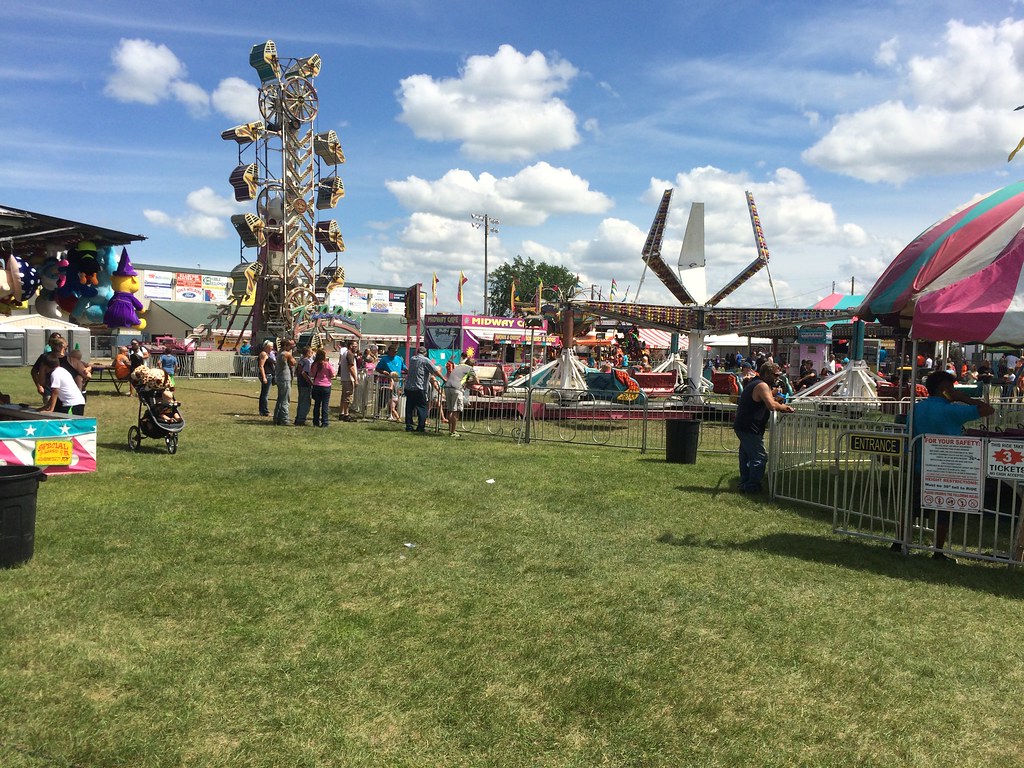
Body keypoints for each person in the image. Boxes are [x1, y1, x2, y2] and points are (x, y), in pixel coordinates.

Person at [902, 370, 995, 560]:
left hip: (921, 463)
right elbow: (988, 410)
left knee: (911, 506)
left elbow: (909, 434)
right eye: (952, 387)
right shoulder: (952, 410)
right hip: (948, 468)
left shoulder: (916, 408)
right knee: (944, 509)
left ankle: (900, 541)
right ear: (945, 389)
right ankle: (938, 550)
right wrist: (964, 398)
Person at [733, 362, 795, 493]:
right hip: (750, 427)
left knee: (746, 455)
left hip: (743, 425)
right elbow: (771, 405)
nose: (777, 378)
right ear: (767, 374)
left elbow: (767, 399)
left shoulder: (756, 383)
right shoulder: (762, 385)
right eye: (776, 375)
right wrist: (785, 407)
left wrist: (774, 395)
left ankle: (745, 483)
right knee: (759, 457)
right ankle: (752, 487)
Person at [40, 341, 86, 415]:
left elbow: (55, 392)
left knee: (69, 425)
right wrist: (46, 407)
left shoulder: (55, 374)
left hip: (72, 404)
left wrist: (51, 409)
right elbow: (54, 394)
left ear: (46, 367)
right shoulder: (61, 370)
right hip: (71, 404)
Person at [404, 345, 440, 433]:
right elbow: (435, 370)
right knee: (422, 408)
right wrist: (443, 378)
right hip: (419, 387)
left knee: (409, 407)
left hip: (409, 387)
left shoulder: (412, 359)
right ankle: (421, 427)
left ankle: (409, 426)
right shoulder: (425, 360)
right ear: (425, 353)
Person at [443, 353, 476, 438]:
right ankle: (453, 432)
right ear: (473, 365)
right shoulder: (470, 368)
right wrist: (470, 383)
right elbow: (477, 381)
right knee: (456, 411)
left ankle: (450, 430)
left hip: (447, 387)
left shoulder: (458, 366)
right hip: (456, 388)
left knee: (450, 410)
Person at [375, 343, 407, 419]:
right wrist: (383, 372)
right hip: (386, 382)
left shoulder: (399, 359)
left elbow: (404, 368)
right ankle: (377, 413)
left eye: (396, 352)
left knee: (394, 400)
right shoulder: (384, 359)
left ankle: (390, 414)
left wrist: (410, 372)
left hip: (397, 382)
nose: (395, 353)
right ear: (389, 351)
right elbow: (377, 368)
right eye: (393, 351)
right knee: (383, 398)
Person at [309, 348, 335, 428]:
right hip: (326, 385)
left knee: (317, 404)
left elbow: (312, 374)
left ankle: (315, 421)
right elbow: (333, 374)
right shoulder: (327, 364)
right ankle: (325, 422)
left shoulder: (314, 364)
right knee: (325, 405)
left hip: (317, 385)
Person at [273, 338, 296, 425]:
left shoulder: (279, 353)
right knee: (285, 400)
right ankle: (284, 419)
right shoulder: (286, 354)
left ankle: (277, 418)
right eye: (290, 346)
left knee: (280, 399)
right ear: (285, 346)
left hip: (280, 378)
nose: (291, 347)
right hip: (285, 378)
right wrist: (291, 355)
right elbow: (293, 363)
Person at [336, 340, 358, 421]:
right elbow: (351, 367)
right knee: (348, 397)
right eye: (355, 346)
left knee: (344, 396)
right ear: (350, 346)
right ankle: (346, 414)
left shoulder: (345, 353)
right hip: (348, 378)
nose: (356, 348)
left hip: (345, 378)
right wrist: (355, 379)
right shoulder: (349, 354)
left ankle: (341, 413)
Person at [293, 345, 314, 426]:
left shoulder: (301, 361)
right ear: (308, 353)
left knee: (301, 401)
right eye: (311, 351)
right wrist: (310, 382)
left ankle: (298, 418)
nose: (312, 353)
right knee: (305, 402)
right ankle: (301, 419)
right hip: (305, 384)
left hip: (300, 383)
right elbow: (304, 373)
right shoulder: (307, 361)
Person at [257, 340, 275, 416]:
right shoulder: (263, 354)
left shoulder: (268, 354)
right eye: (271, 347)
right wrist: (264, 377)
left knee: (264, 393)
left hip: (269, 374)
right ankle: (265, 411)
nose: (272, 348)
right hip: (267, 375)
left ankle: (262, 410)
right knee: (265, 394)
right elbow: (261, 366)